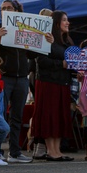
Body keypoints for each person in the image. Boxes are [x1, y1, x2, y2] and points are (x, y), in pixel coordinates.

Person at [0, 0, 34, 163]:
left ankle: (15, 152)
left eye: (9, 8)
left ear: (17, 11)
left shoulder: (25, 28)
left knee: (17, 116)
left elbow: (31, 55)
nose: (5, 10)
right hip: (5, 77)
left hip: (21, 77)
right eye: (3, 8)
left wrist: (45, 44)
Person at [31, 11, 71, 162]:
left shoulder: (66, 40)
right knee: (50, 116)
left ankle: (57, 150)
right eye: (64, 20)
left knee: (59, 116)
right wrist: (60, 64)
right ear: (56, 23)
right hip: (49, 82)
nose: (67, 23)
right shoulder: (46, 39)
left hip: (62, 82)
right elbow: (40, 61)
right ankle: (51, 150)